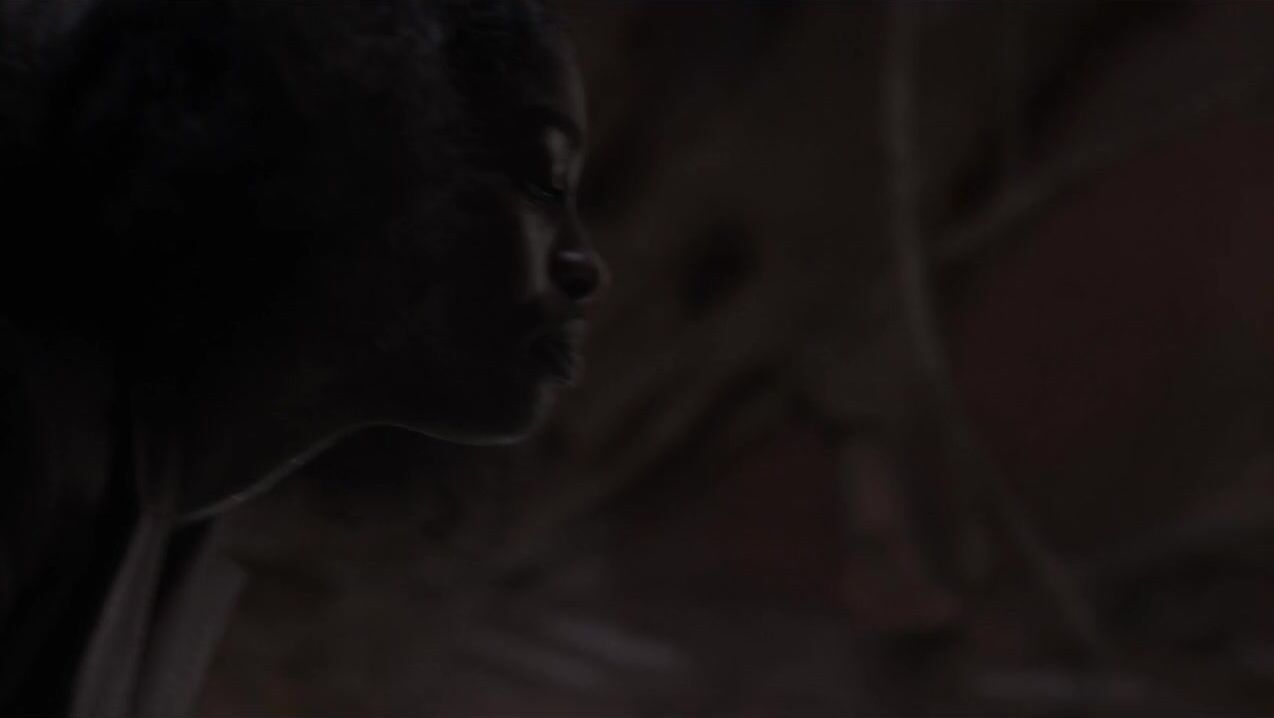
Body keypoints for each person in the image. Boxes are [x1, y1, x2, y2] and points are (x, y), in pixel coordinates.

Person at [0, 0, 605, 714]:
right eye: (542, 178)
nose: (585, 265)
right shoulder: (27, 441)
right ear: (368, 138)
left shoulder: (162, 511)